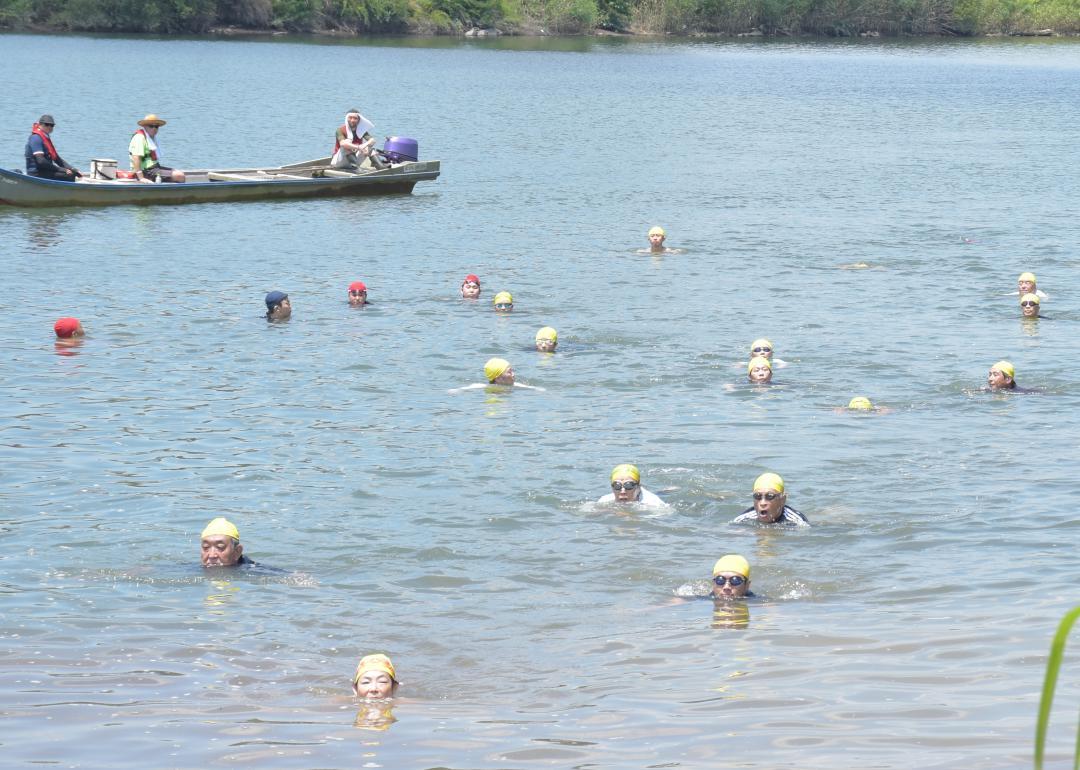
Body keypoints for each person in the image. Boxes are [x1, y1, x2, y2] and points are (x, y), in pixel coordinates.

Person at [732, 472, 810, 526]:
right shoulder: (742, 520)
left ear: (783, 500)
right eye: (757, 496)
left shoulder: (797, 522)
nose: (762, 503)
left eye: (769, 496)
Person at [129, 114, 185, 183]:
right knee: (179, 176)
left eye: (156, 126)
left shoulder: (151, 138)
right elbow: (136, 157)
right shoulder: (139, 138)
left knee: (178, 172)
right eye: (151, 126)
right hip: (146, 171)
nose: (154, 129)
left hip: (155, 168)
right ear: (145, 126)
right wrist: (141, 178)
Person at [25, 115, 81, 180]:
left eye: (52, 125)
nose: (49, 127)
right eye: (46, 124)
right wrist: (61, 170)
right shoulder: (36, 138)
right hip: (36, 173)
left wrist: (73, 169)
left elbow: (57, 159)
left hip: (46, 170)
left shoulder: (45, 138)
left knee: (73, 173)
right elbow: (41, 161)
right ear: (40, 124)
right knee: (69, 175)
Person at [596, 463, 668, 508]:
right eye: (617, 485)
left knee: (659, 494)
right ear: (612, 487)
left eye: (629, 485)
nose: (623, 491)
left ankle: (665, 491)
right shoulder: (604, 500)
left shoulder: (654, 503)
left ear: (638, 486)